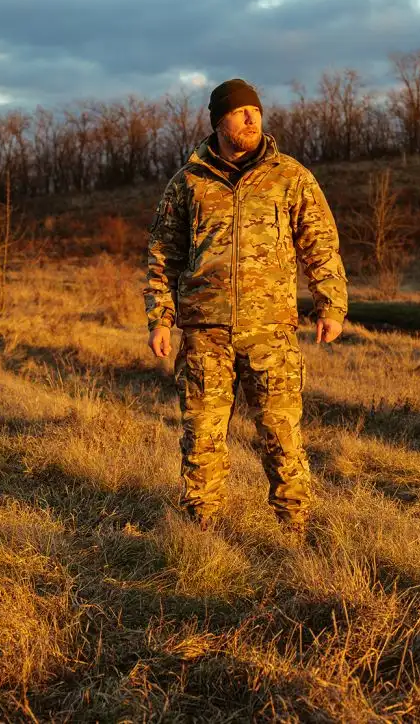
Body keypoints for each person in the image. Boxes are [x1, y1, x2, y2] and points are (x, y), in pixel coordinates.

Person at [143, 77, 348, 537]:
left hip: (270, 332)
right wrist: (160, 318)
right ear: (219, 121)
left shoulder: (290, 176)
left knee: (281, 437)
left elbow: (320, 244)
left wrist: (330, 305)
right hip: (205, 333)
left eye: (255, 111)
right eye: (239, 113)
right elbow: (162, 254)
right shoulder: (189, 182)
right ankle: (202, 531)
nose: (251, 118)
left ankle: (294, 531)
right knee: (202, 437)